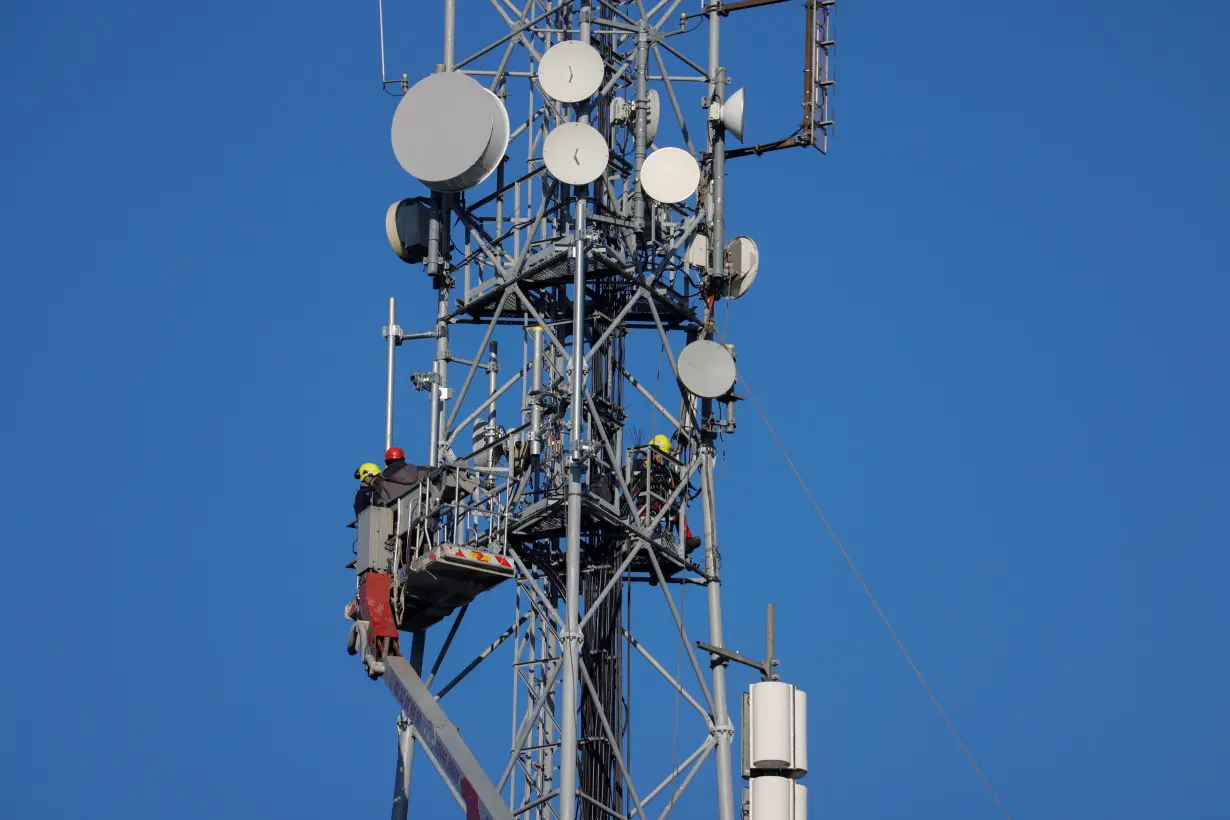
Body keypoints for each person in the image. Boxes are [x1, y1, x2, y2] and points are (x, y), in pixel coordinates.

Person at [631, 434, 701, 552]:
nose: (661, 459)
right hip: (645, 504)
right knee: (662, 507)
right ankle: (645, 528)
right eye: (660, 455)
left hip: (659, 501)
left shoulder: (661, 468)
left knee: (676, 511)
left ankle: (687, 541)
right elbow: (635, 486)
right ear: (653, 451)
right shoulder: (641, 464)